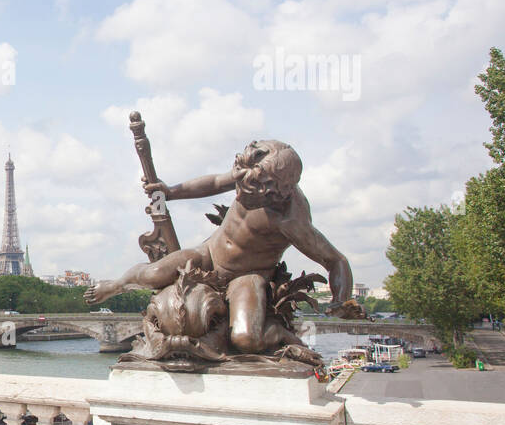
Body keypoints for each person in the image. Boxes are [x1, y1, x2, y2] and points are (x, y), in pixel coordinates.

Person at [86, 140, 359, 354]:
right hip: (209, 254)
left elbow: (336, 261)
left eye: (247, 191)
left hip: (247, 276)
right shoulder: (249, 174)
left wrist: (341, 300)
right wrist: (171, 192)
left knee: (245, 338)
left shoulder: (290, 220)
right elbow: (216, 183)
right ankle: (117, 284)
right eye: (238, 184)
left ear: (277, 191)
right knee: (153, 274)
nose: (238, 192)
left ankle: (279, 334)